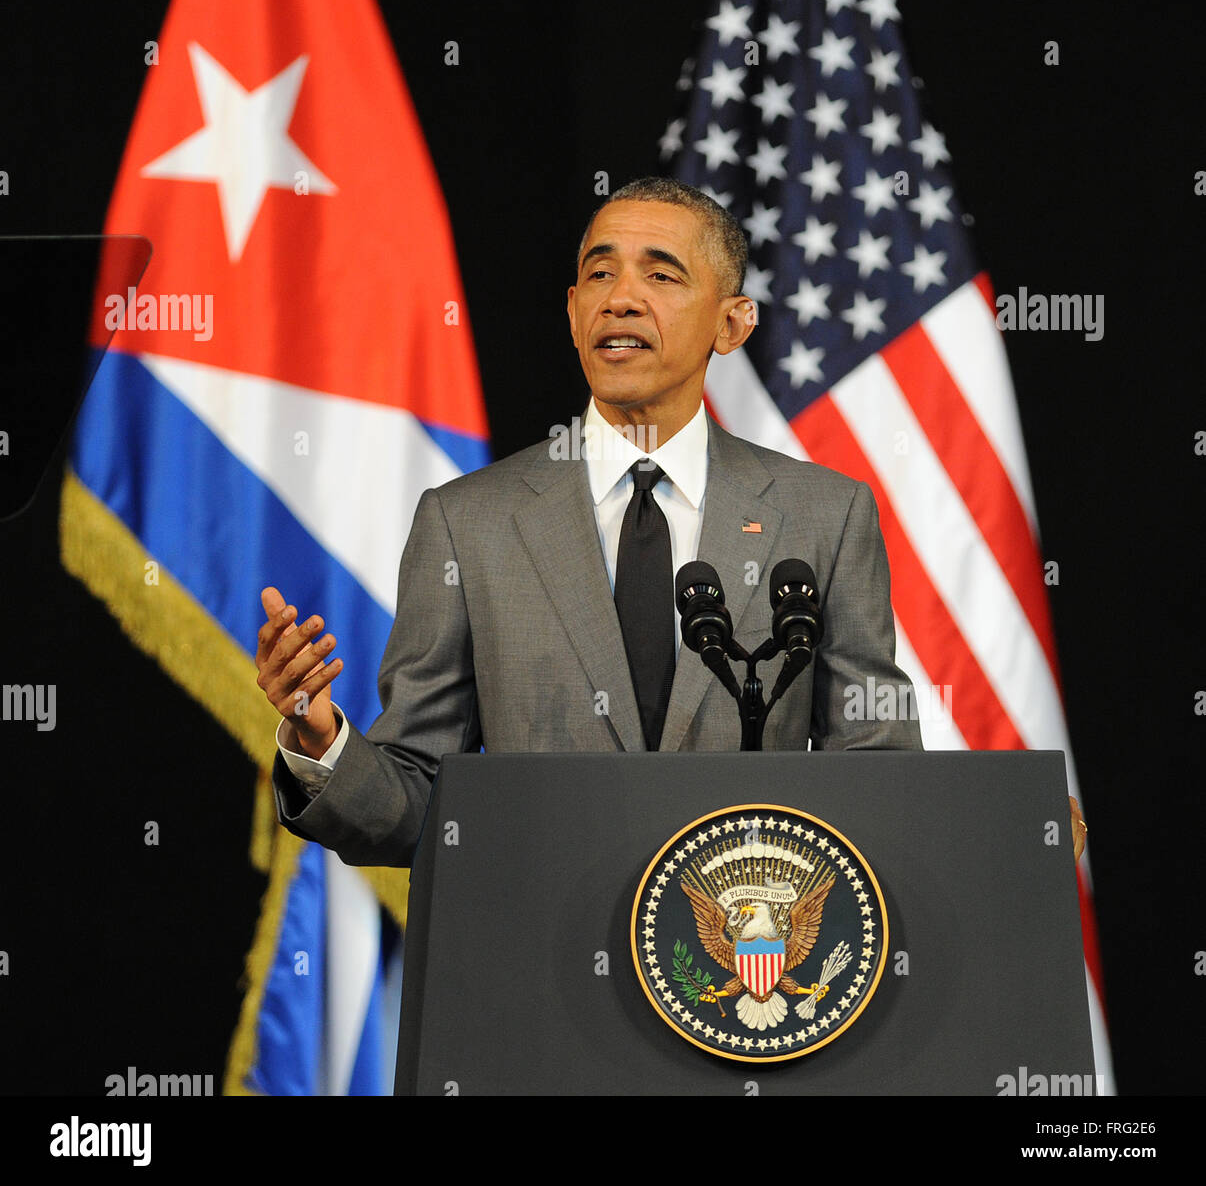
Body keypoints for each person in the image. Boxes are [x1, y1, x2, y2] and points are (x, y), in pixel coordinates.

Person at [256, 178, 926, 869]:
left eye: (661, 274)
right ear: (575, 314)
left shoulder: (826, 515)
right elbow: (419, 807)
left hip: (749, 961)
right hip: (541, 958)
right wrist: (321, 737)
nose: (622, 297)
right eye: (599, 274)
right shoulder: (467, 525)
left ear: (732, 324)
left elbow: (875, 773)